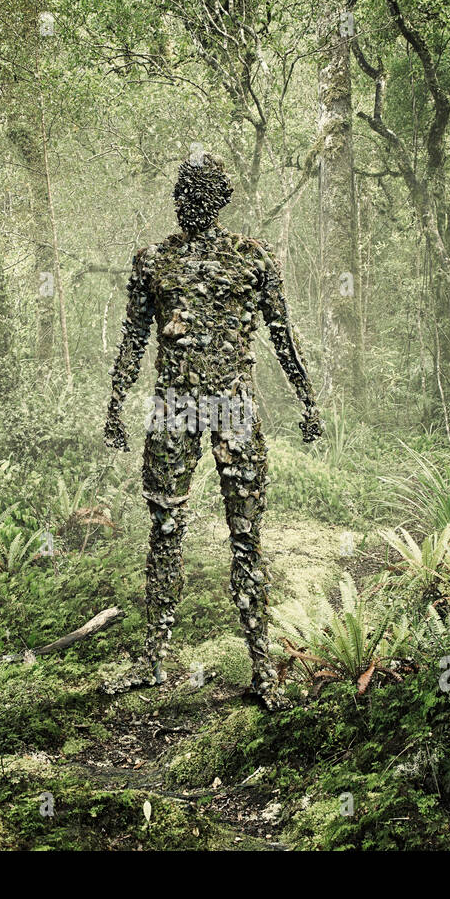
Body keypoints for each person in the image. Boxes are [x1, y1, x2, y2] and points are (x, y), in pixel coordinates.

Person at [101, 152, 322, 710]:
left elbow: (281, 334)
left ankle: (262, 668)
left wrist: (307, 397)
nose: (187, 197)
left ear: (216, 198)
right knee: (165, 530)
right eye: (182, 187)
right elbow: (133, 335)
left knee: (245, 536)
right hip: (175, 406)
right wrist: (115, 400)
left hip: (231, 405)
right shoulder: (153, 260)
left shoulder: (251, 258)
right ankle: (155, 659)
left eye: (197, 189)